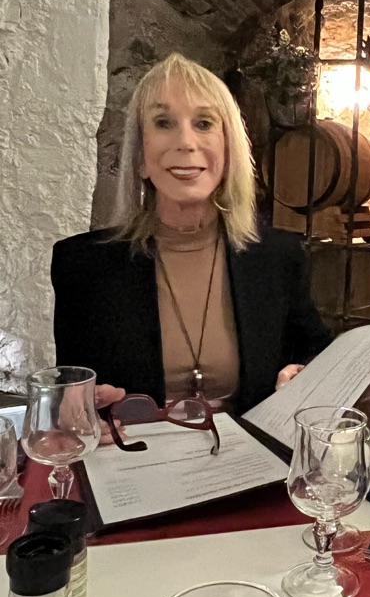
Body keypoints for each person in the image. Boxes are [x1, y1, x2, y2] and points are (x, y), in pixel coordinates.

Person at [52, 52, 331, 424]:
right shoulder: (82, 265)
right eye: (163, 122)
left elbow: (318, 356)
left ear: (228, 150)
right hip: (134, 455)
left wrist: (302, 376)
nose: (185, 141)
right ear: (141, 157)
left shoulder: (279, 257)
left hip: (249, 454)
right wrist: (82, 414)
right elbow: (69, 396)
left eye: (203, 123)